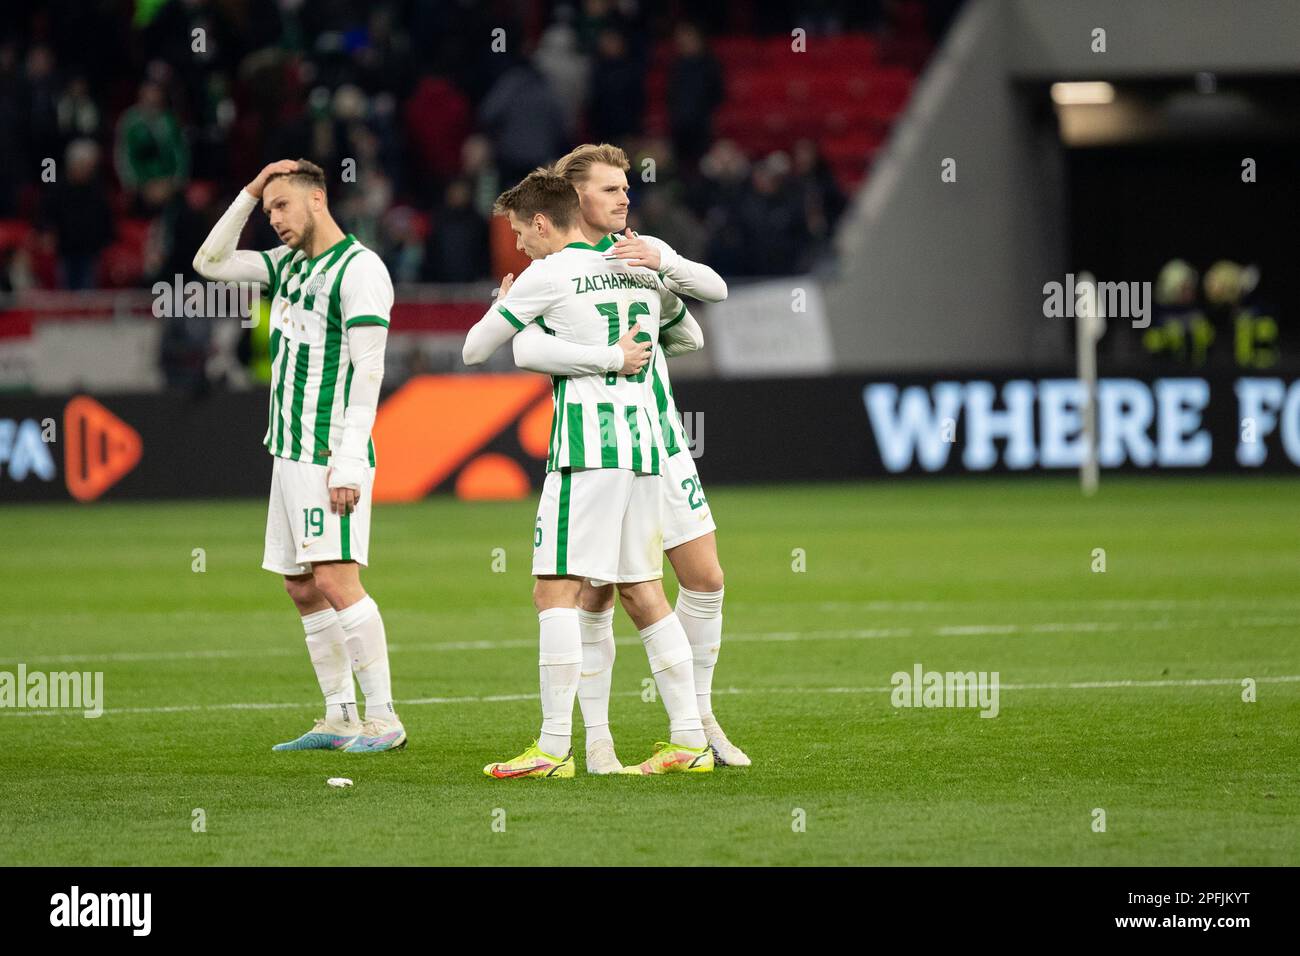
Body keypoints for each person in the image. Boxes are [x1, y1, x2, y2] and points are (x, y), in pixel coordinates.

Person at [463, 168, 712, 777]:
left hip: (588, 448)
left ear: (544, 223)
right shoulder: (635, 270)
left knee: (555, 590)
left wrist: (507, 304)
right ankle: (689, 739)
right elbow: (691, 331)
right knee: (644, 591)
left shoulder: (545, 275)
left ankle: (553, 748)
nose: (519, 245)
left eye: (522, 231)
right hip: (647, 448)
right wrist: (615, 350)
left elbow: (476, 348)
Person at [513, 143, 748, 772]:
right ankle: (600, 740)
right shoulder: (559, 269)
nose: (625, 197)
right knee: (603, 593)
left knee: (706, 579)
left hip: (664, 441)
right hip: (607, 446)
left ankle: (698, 719)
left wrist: (660, 268)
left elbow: (700, 316)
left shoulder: (638, 254)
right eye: (610, 189)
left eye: (625, 187)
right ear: (574, 198)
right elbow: (525, 346)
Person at [192, 159, 405, 754]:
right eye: (268, 211)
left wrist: (350, 462)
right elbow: (207, 264)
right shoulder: (288, 266)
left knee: (337, 580)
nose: (274, 219)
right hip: (287, 452)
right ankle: (338, 715)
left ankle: (384, 719)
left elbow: (369, 371)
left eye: (282, 206)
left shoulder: (361, 270)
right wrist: (250, 189)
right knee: (301, 586)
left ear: (318, 200)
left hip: (326, 452)